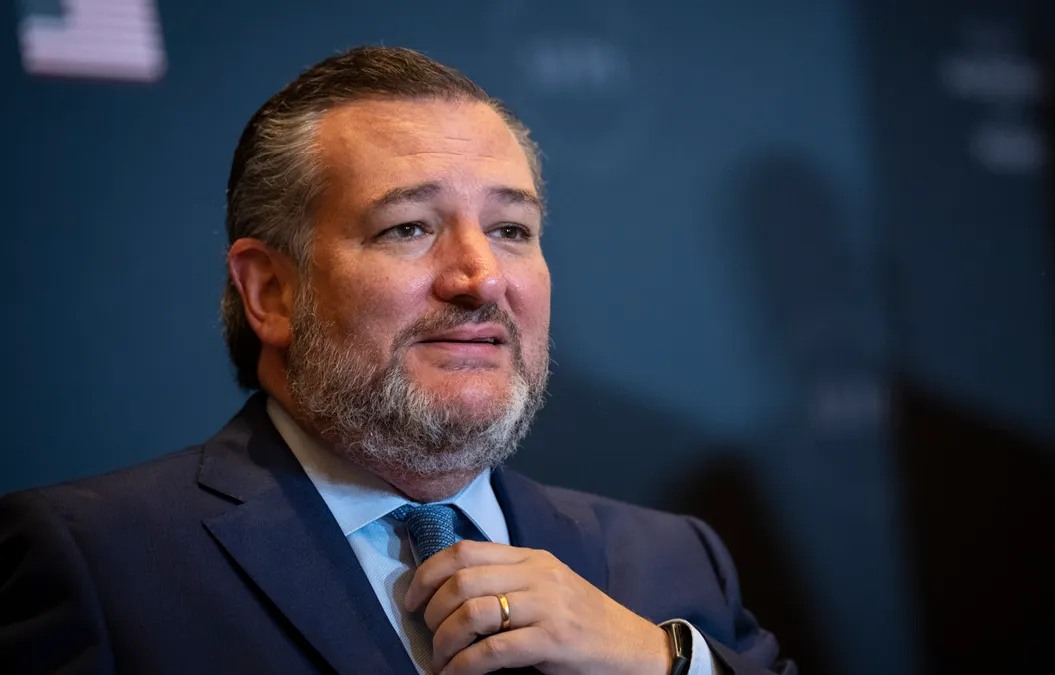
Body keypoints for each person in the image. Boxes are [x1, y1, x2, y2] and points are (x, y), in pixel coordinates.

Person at [0, 47, 792, 675]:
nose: (480, 276)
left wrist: (663, 662)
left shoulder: (671, 562)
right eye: (408, 227)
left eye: (512, 229)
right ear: (271, 291)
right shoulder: (100, 563)